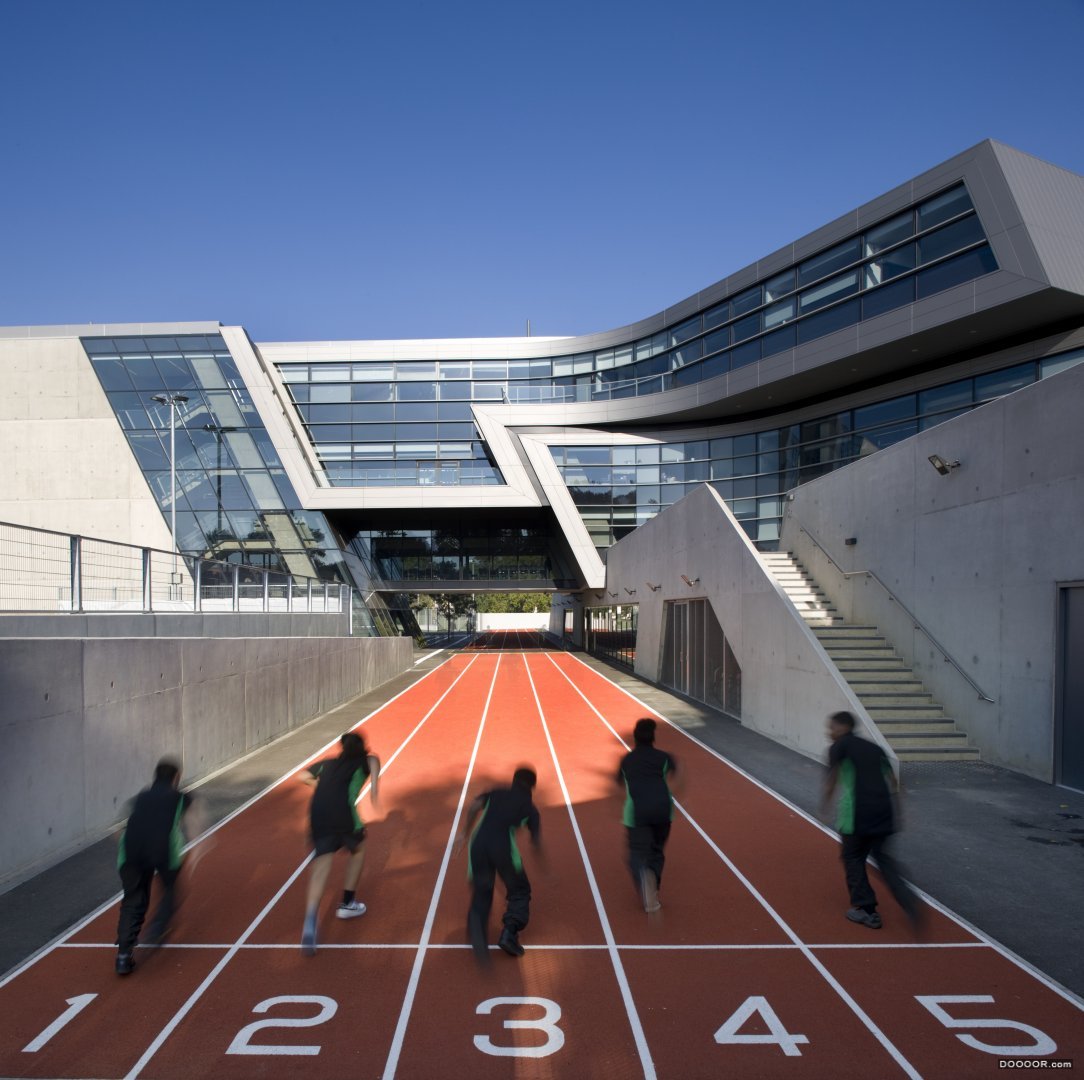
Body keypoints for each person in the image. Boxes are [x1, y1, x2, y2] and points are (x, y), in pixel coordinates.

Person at [821, 710, 921, 930]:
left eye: (832, 727)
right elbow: (894, 782)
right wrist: (900, 811)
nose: (829, 732)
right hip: (884, 812)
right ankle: (907, 898)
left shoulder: (839, 747)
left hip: (857, 813)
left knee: (852, 857)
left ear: (844, 727)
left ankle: (867, 911)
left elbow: (832, 779)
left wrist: (824, 806)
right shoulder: (876, 749)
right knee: (883, 858)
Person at [114, 758, 202, 975]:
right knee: (170, 890)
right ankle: (157, 929)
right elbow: (193, 824)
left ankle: (124, 956)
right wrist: (197, 849)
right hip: (163, 850)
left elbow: (119, 830)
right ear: (176, 778)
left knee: (133, 901)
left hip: (131, 851)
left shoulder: (141, 797)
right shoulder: (181, 797)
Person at [299, 731, 381, 955]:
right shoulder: (368, 761)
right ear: (363, 747)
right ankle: (347, 903)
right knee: (359, 849)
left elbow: (302, 776)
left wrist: (321, 788)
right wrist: (374, 794)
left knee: (321, 867)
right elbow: (374, 774)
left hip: (318, 815)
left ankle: (310, 920)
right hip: (343, 815)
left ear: (342, 748)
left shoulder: (328, 763)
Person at [455, 767, 541, 961]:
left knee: (482, 890)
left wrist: (464, 832)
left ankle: (477, 925)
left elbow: (475, 804)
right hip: (503, 849)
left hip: (478, 844)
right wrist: (544, 865)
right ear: (532, 786)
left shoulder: (497, 792)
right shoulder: (530, 808)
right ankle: (509, 933)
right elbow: (535, 843)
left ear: (513, 780)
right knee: (520, 891)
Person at [616, 718, 677, 913]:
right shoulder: (665, 758)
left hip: (637, 813)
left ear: (634, 738)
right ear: (653, 737)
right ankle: (653, 885)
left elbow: (618, 785)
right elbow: (678, 778)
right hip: (663, 810)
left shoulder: (627, 761)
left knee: (637, 853)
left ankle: (644, 876)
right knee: (657, 851)